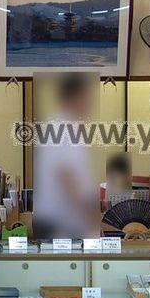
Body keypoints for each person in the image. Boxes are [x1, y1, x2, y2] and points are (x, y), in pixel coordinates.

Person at [33, 73, 101, 239]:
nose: (91, 102)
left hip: (58, 220)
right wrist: (89, 222)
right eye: (88, 96)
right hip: (59, 222)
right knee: (67, 265)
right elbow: (67, 178)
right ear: (78, 96)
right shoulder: (64, 127)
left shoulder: (62, 124)